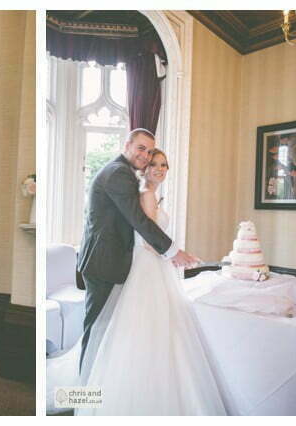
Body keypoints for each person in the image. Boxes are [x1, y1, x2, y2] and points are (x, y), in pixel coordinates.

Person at [76, 148, 226, 415]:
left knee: (145, 327)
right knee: (120, 328)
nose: (159, 168)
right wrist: (175, 254)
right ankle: (86, 394)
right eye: (153, 163)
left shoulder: (148, 193)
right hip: (138, 265)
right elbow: (146, 239)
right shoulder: (143, 192)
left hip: (147, 266)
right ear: (143, 168)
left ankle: (91, 390)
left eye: (164, 164)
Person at [76, 128, 198, 372]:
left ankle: (98, 381)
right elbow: (139, 222)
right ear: (127, 145)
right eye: (141, 148)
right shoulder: (117, 173)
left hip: (115, 261)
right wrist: (174, 252)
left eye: (150, 150)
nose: (145, 155)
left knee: (109, 328)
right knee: (97, 327)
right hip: (103, 262)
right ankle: (85, 392)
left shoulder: (126, 173)